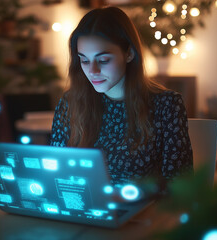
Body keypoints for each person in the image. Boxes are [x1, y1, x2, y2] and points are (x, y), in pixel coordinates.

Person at [50, 6, 193, 186]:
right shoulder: (70, 103)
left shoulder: (167, 105)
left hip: (142, 210)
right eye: (84, 60)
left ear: (129, 53)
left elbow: (180, 186)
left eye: (103, 60)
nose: (92, 71)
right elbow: (57, 174)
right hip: (82, 209)